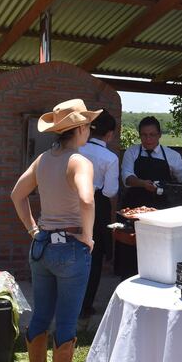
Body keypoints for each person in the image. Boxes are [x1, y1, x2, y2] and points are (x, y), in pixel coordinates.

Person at [10, 98, 100, 362]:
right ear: (80, 128)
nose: (90, 130)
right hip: (71, 247)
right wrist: (88, 236)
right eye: (88, 125)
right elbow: (86, 200)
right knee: (66, 319)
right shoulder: (79, 162)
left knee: (41, 314)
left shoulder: (43, 160)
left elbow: (17, 195)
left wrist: (33, 230)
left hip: (42, 245)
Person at [77, 110, 119, 319]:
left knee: (72, 249)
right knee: (94, 256)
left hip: (72, 202)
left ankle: (68, 300)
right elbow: (110, 191)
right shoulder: (110, 158)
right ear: (109, 134)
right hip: (97, 204)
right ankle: (85, 305)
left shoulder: (76, 149)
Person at [120, 116, 182, 210]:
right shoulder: (131, 152)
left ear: (159, 135)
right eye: (144, 135)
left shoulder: (172, 155)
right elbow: (127, 176)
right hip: (134, 205)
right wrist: (142, 183)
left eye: (152, 135)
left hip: (162, 206)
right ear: (139, 135)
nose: (148, 139)